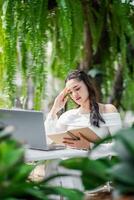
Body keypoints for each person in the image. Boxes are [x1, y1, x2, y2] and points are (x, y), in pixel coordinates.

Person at [44, 70, 122, 196]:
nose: (74, 95)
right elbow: (48, 141)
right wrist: (54, 109)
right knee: (52, 164)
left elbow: (120, 147)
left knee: (66, 167)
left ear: (87, 85)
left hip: (93, 167)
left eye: (77, 88)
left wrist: (89, 145)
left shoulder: (108, 110)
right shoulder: (68, 115)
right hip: (69, 163)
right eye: (70, 92)